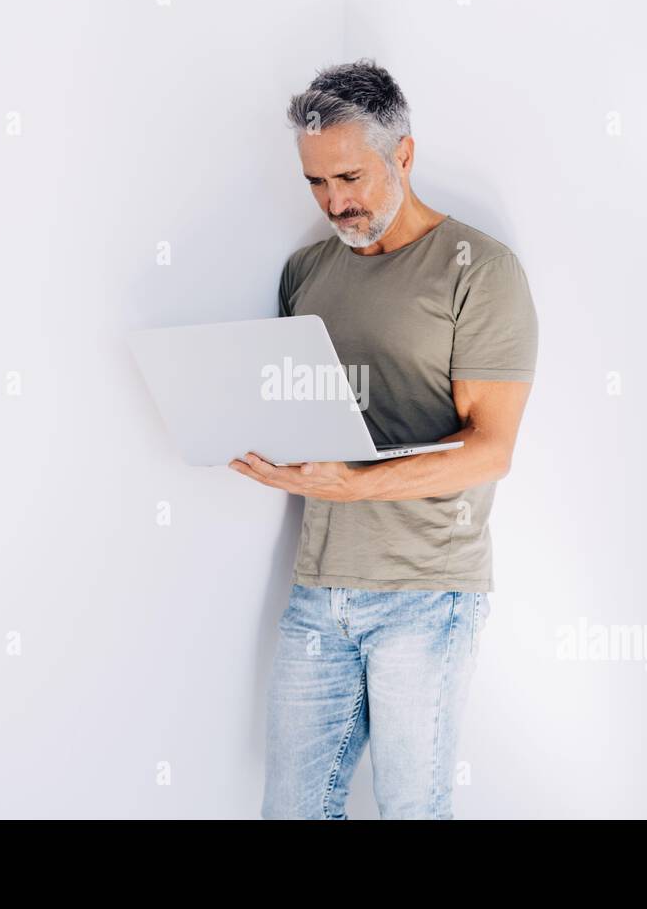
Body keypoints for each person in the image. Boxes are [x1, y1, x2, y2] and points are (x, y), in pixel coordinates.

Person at [230, 59, 538, 819]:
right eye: (316, 183)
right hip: (318, 589)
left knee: (412, 809)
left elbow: (489, 451)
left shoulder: (480, 271)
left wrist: (351, 484)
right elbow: (302, 410)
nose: (335, 201)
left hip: (427, 593)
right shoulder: (305, 272)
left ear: (402, 154)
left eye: (351, 177)